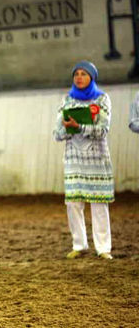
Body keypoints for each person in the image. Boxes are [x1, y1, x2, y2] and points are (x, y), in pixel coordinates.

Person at [53, 60, 114, 260]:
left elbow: (103, 130)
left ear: (92, 77)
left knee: (99, 203)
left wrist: (79, 126)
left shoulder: (102, 99)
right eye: (76, 74)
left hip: (97, 158)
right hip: (74, 159)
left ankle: (103, 248)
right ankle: (79, 245)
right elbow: (57, 134)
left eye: (84, 73)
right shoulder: (66, 100)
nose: (79, 77)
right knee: (73, 204)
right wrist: (66, 126)